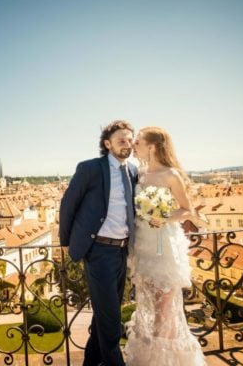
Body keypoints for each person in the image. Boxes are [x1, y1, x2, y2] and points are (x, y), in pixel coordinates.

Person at [124, 126, 206, 365]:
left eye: (137, 142)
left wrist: (164, 216)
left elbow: (187, 209)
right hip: (143, 247)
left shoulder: (171, 174)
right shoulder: (138, 172)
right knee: (146, 304)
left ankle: (165, 360)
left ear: (151, 146)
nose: (133, 146)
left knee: (164, 309)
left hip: (166, 247)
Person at [59, 120, 138, 366]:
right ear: (107, 144)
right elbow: (68, 204)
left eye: (130, 140)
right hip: (99, 250)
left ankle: (90, 362)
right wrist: (65, 241)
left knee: (105, 314)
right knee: (111, 320)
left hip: (121, 251)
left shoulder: (133, 171)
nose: (127, 145)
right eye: (121, 140)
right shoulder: (91, 168)